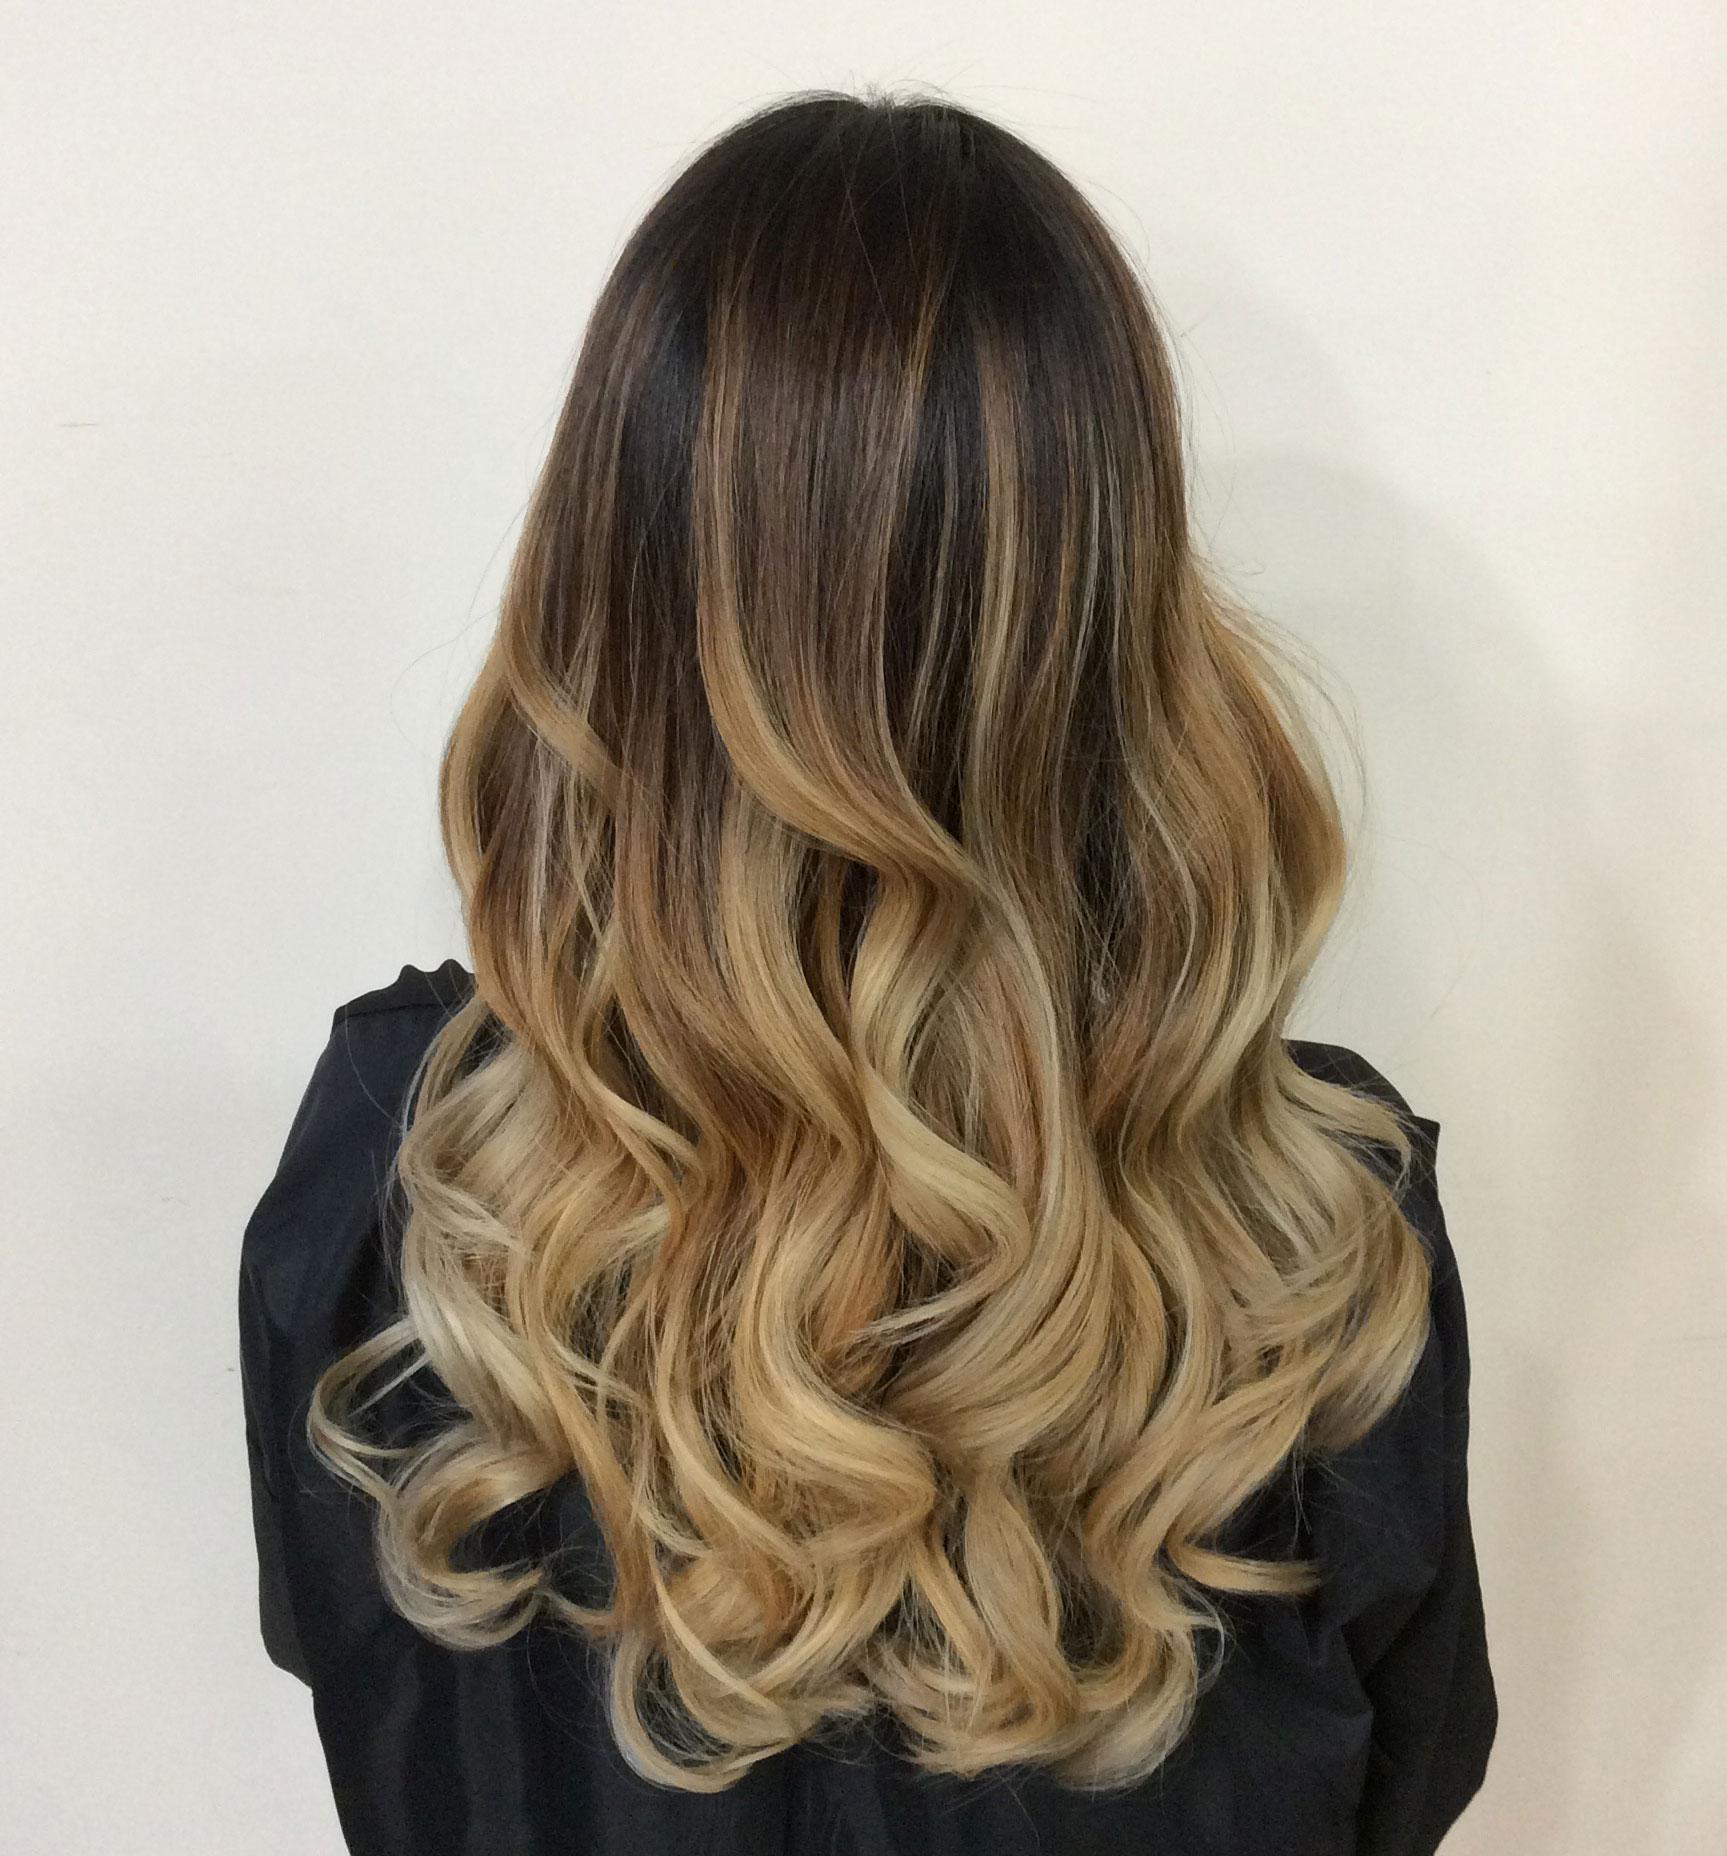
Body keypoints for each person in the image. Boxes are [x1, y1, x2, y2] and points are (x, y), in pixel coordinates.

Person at [238, 87, 1496, 1856]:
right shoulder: (1311, 1252)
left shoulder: (407, 1198)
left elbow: (366, 1705)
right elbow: (1399, 1788)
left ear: (610, 578)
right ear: (1111, 612)